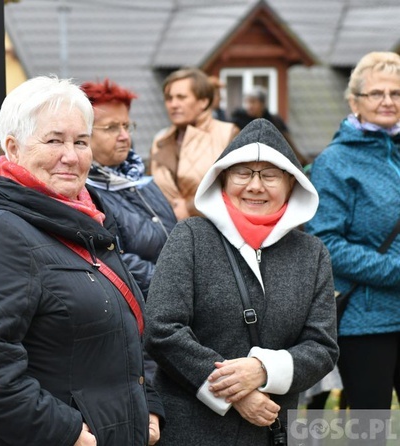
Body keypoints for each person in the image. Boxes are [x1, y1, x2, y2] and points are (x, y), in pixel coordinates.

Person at [0, 76, 164, 445]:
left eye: (81, 141)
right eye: (54, 140)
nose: (72, 155)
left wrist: (148, 406)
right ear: (12, 149)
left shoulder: (86, 223)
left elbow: (127, 328)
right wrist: (68, 434)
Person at [145, 118, 338, 445]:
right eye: (243, 172)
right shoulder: (191, 237)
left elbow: (322, 347)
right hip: (191, 429)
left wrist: (263, 369)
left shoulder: (312, 253)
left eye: (270, 175)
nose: (255, 186)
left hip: (271, 429)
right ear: (222, 177)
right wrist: (233, 394)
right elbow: (162, 328)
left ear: (292, 182)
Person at [305, 51, 400, 411]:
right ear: (354, 101)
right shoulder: (335, 161)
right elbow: (325, 243)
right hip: (365, 321)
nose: (388, 101)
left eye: (396, 93)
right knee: (368, 430)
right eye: (377, 93)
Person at [80, 79, 176, 299]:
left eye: (126, 126)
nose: (124, 136)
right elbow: (116, 259)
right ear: (83, 134)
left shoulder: (140, 180)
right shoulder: (84, 192)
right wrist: (174, 286)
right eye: (112, 128)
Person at [151, 67, 239, 220]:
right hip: (168, 235)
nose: (173, 104)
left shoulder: (227, 133)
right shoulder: (160, 140)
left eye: (181, 97)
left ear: (203, 101)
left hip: (214, 232)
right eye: (169, 98)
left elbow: (239, 188)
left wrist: (190, 208)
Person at [231, 86, 308, 166]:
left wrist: (298, 158)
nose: (249, 106)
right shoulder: (238, 122)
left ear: (262, 103)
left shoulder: (274, 121)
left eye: (253, 102)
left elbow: (287, 141)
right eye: (247, 102)